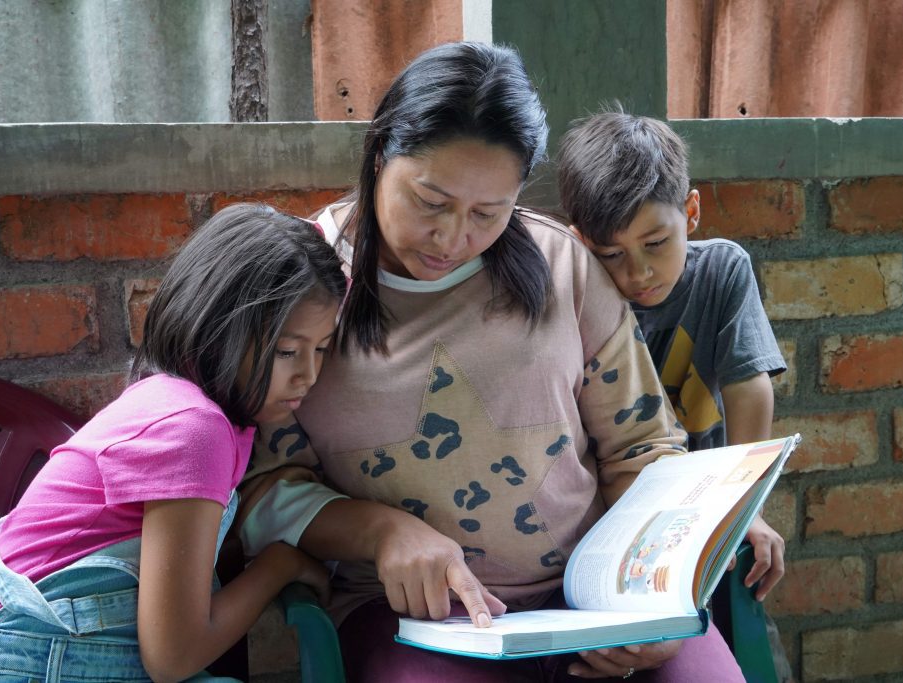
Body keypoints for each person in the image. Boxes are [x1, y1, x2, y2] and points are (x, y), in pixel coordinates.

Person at [238, 42, 745, 682]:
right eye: (429, 201)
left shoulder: (562, 266)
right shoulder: (303, 285)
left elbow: (646, 451)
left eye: (488, 213)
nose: (453, 239)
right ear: (378, 156)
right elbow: (261, 485)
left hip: (593, 601)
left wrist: (651, 605)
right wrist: (380, 533)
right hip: (413, 617)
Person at [0, 204, 346, 682]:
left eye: (321, 348)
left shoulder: (200, 415)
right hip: (17, 660)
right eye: (287, 351)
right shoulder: (193, 428)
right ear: (218, 329)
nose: (309, 374)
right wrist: (279, 565)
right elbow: (173, 656)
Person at [558, 112, 791, 679]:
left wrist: (745, 509)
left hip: (698, 516)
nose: (637, 273)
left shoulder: (721, 271)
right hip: (607, 519)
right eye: (610, 254)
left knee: (748, 633)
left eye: (656, 243)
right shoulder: (574, 289)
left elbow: (749, 384)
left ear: (691, 211)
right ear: (579, 241)